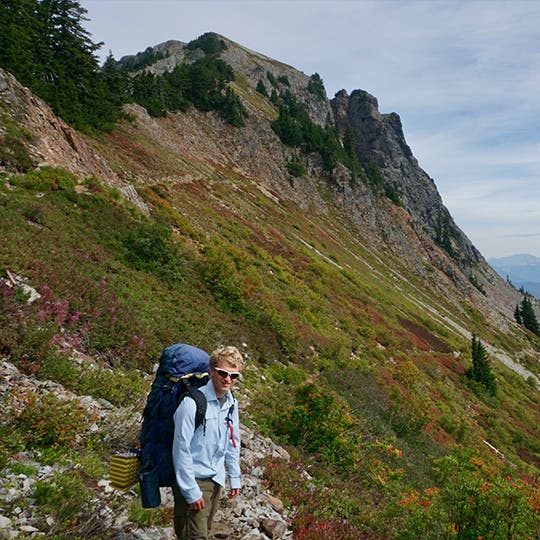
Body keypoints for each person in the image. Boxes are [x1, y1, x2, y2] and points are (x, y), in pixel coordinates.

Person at [171, 345, 244, 540]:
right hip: (194, 480)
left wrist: (234, 477)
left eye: (234, 375)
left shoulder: (231, 403)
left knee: (204, 532)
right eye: (222, 373)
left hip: (216, 481)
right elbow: (180, 448)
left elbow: (232, 441)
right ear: (212, 370)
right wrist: (190, 491)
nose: (228, 379)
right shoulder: (191, 403)